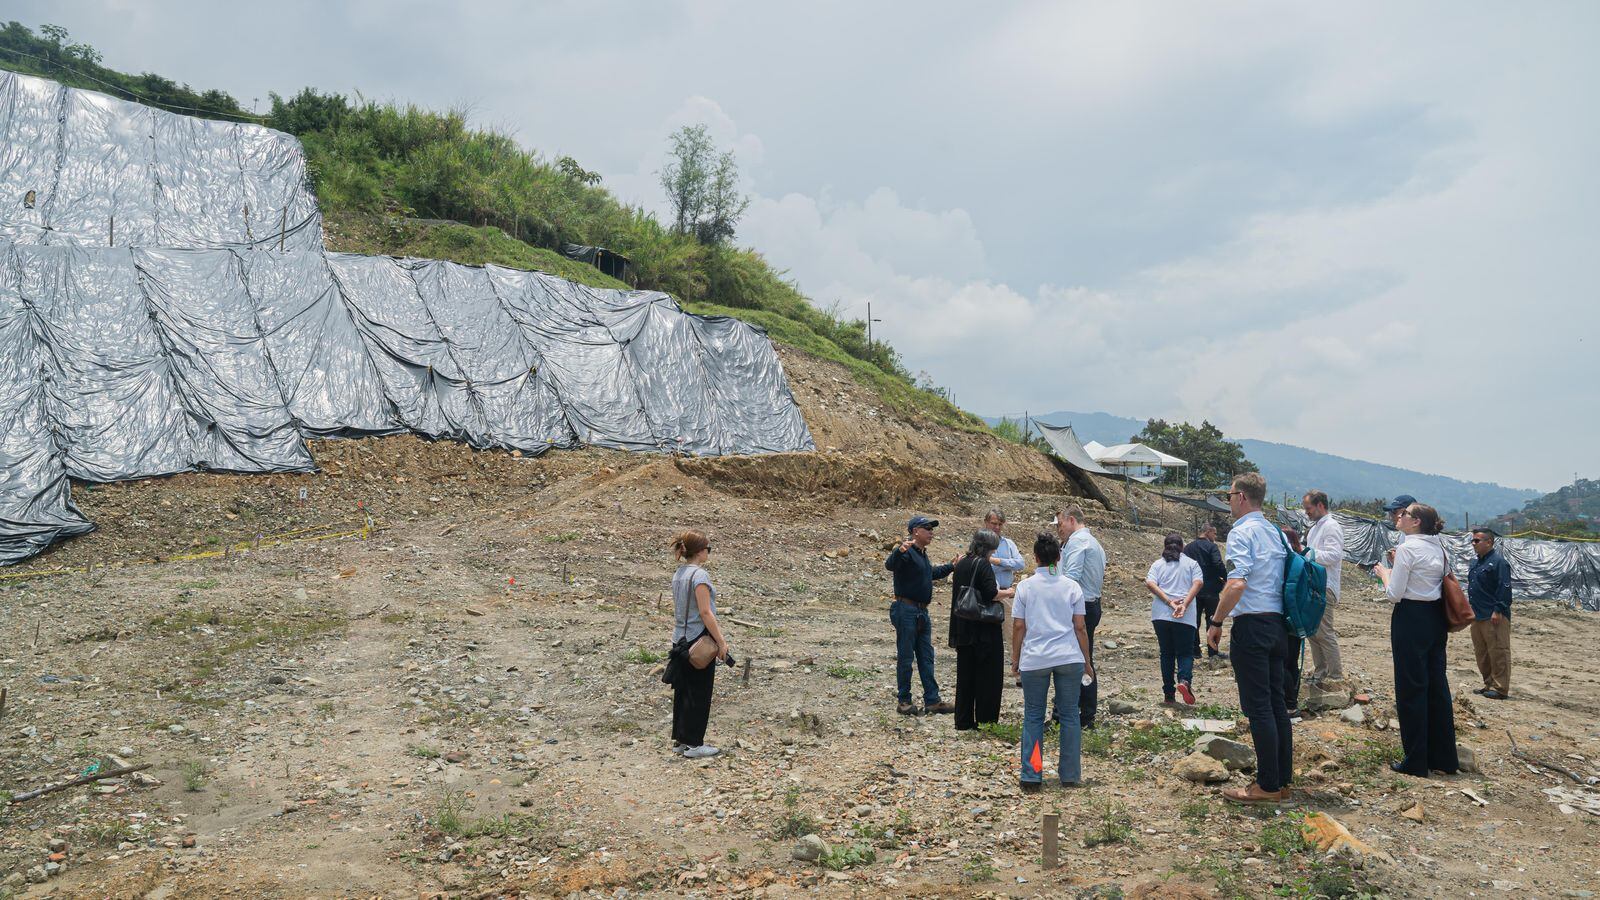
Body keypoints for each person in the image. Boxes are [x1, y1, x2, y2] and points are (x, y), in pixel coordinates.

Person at [1207, 473, 1292, 804]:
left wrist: (1216, 620)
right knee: (1276, 705)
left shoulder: (1241, 532)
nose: (1228, 501)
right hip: (1277, 624)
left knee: (1258, 708)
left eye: (1229, 495)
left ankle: (1267, 786)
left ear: (1241, 497)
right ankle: (1281, 781)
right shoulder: (1275, 532)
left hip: (1252, 625)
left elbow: (1237, 583)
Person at [1373, 503, 1460, 777]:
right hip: (1435, 618)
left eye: (1406, 514)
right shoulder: (1439, 547)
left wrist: (1385, 574)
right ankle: (1444, 758)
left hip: (1411, 617)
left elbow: (1394, 594)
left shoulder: (1408, 548)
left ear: (1416, 522)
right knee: (1437, 686)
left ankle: (1415, 760)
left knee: (1411, 688)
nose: (1400, 517)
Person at [1011, 532, 1093, 793]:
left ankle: (1032, 774)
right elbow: (1080, 627)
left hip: (1035, 658)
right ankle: (1069, 774)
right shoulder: (1072, 586)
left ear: (1035, 558)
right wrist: (1087, 661)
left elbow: (1019, 626)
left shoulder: (1025, 587)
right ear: (1059, 557)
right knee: (1070, 715)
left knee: (1034, 716)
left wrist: (1015, 659)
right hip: (1068, 656)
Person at [886, 515, 957, 716]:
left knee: (926, 656)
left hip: (921, 612)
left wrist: (952, 566)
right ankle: (904, 700)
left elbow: (930, 574)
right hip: (906, 610)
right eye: (927, 528)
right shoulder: (906, 552)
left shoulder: (922, 555)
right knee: (906, 656)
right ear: (915, 531)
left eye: (932, 529)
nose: (931, 532)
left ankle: (932, 700)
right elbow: (890, 565)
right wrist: (899, 551)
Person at [669, 530, 730, 759]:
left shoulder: (678, 574)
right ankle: (695, 744)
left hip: (679, 639)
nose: (708, 553)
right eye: (708, 549)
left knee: (683, 691)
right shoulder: (700, 576)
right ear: (700, 551)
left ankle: (681, 741)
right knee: (700, 692)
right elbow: (705, 612)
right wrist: (721, 641)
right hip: (698, 640)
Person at [950, 530, 1015, 730]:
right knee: (989, 676)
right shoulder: (983, 564)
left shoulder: (962, 563)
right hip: (983, 628)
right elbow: (990, 593)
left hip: (963, 625)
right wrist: (1009, 592)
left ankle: (963, 720)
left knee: (965, 676)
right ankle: (986, 721)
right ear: (988, 548)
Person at [1056, 506, 1106, 729]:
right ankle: (1085, 713)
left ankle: (1069, 713)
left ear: (1071, 520)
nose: (1060, 529)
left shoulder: (1077, 542)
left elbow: (1071, 578)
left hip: (1079, 606)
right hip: (1091, 603)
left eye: (1061, 524)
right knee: (1084, 657)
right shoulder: (1094, 542)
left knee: (1070, 660)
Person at [1145, 532, 1203, 705]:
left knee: (1166, 653)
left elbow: (1150, 583)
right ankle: (1184, 680)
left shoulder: (1158, 564)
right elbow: (1198, 583)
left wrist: (1169, 602)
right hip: (1185, 617)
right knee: (1185, 652)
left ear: (1165, 546)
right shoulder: (1192, 564)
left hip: (1161, 615)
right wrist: (1184, 604)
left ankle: (1168, 694)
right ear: (1182, 547)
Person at [1301, 491, 1346, 687]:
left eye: (1309, 508)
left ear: (1320, 505)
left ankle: (1336, 676)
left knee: (1324, 632)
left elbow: (1334, 555)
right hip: (1313, 585)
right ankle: (1321, 671)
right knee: (1312, 631)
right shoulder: (1315, 529)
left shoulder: (1331, 526)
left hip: (1325, 585)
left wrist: (1307, 553)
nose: (1307, 512)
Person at [1468, 527, 1514, 700]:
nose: (1473, 544)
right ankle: (1488, 683)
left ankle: (1500, 688)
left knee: (1498, 651)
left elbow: (1504, 587)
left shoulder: (1499, 562)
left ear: (1489, 542)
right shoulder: (1476, 563)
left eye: (1477, 540)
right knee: (1482, 652)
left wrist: (1498, 610)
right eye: (1472, 540)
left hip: (1493, 615)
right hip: (1477, 614)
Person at [1183, 523, 1228, 659]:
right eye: (1214, 533)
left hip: (1193, 590)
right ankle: (1213, 651)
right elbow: (1218, 564)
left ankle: (1195, 651)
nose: (1215, 536)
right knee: (1213, 620)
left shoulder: (1188, 547)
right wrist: (1226, 577)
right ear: (1208, 532)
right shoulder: (1211, 547)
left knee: (1194, 621)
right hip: (1211, 589)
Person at [1279, 525, 1305, 715]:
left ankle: (1288, 703)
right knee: (1292, 661)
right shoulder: (1301, 560)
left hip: (1286, 617)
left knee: (1284, 662)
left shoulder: (1289, 562)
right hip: (1298, 619)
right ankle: (1291, 701)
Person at [984, 509, 1026, 591]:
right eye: (994, 523)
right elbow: (982, 569)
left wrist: (997, 561)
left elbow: (1021, 564)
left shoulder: (1009, 543)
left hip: (1007, 591)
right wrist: (1009, 565)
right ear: (986, 522)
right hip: (987, 592)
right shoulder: (979, 544)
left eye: (1000, 524)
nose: (997, 527)